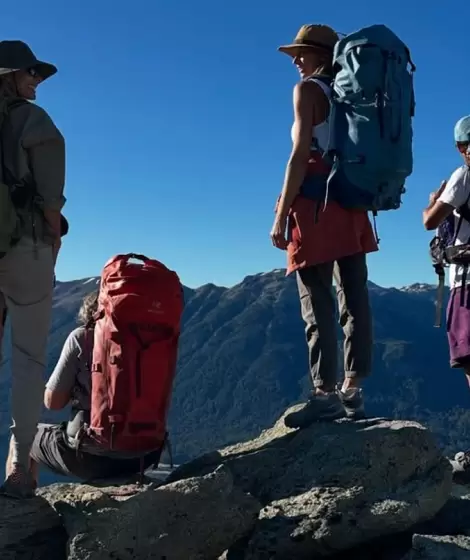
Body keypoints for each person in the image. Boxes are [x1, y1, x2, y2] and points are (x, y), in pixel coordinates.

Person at [270, 24, 378, 429]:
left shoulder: (308, 92)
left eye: (302, 53)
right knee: (355, 297)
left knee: (316, 299)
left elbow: (299, 154)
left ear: (322, 55)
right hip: (351, 202)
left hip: (315, 204)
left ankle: (324, 393)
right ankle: (354, 390)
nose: (296, 61)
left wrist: (281, 213)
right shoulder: (355, 96)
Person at [0, 41, 66, 498]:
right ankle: (21, 468)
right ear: (8, 75)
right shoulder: (33, 121)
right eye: (30, 72)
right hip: (24, 247)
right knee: (27, 358)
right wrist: (53, 233)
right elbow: (49, 195)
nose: (36, 80)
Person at [26, 292, 162, 484]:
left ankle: (22, 501)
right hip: (144, 455)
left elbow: (53, 402)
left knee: (23, 434)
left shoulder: (82, 337)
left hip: (91, 458)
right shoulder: (150, 339)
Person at [423, 115, 470, 477]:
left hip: (467, 285)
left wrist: (433, 203)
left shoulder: (463, 175)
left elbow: (428, 221)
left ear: (460, 148)